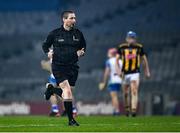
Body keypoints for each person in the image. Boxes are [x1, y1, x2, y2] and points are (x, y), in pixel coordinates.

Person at [42, 10, 86, 126]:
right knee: (67, 91)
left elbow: (83, 46)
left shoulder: (78, 33)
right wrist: (48, 52)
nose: (74, 20)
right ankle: (71, 120)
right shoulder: (55, 33)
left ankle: (52, 90)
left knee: (68, 92)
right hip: (59, 66)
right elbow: (45, 45)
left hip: (73, 67)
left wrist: (82, 52)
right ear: (64, 19)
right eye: (71, 18)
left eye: (74, 18)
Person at [116, 31, 150, 117]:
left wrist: (147, 71)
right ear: (126, 39)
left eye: (133, 38)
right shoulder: (122, 47)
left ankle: (134, 110)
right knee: (125, 93)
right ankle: (127, 109)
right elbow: (117, 60)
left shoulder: (139, 47)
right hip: (125, 73)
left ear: (135, 39)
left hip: (135, 72)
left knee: (134, 90)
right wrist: (118, 71)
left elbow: (144, 59)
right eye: (130, 38)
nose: (131, 40)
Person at [99, 48, 122, 115]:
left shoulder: (109, 61)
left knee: (114, 97)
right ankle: (117, 110)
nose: (108, 54)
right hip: (121, 80)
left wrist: (104, 82)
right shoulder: (121, 61)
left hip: (113, 80)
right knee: (119, 96)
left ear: (111, 54)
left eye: (109, 53)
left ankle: (116, 111)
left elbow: (107, 72)